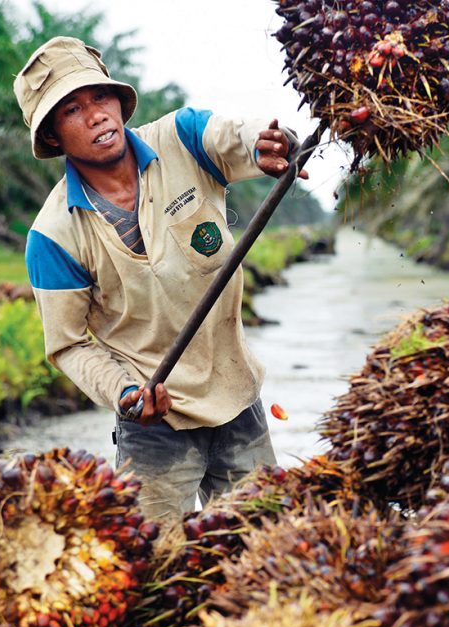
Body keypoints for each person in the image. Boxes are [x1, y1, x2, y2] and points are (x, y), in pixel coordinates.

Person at [15, 36, 303, 521]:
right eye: (72, 110)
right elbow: (67, 345)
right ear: (52, 137)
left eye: (101, 98)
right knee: (154, 572)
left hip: (238, 399)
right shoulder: (53, 236)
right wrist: (125, 393)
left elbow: (236, 137)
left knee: (265, 547)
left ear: (118, 102)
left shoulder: (183, 139)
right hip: (154, 427)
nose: (96, 116)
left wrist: (270, 143)